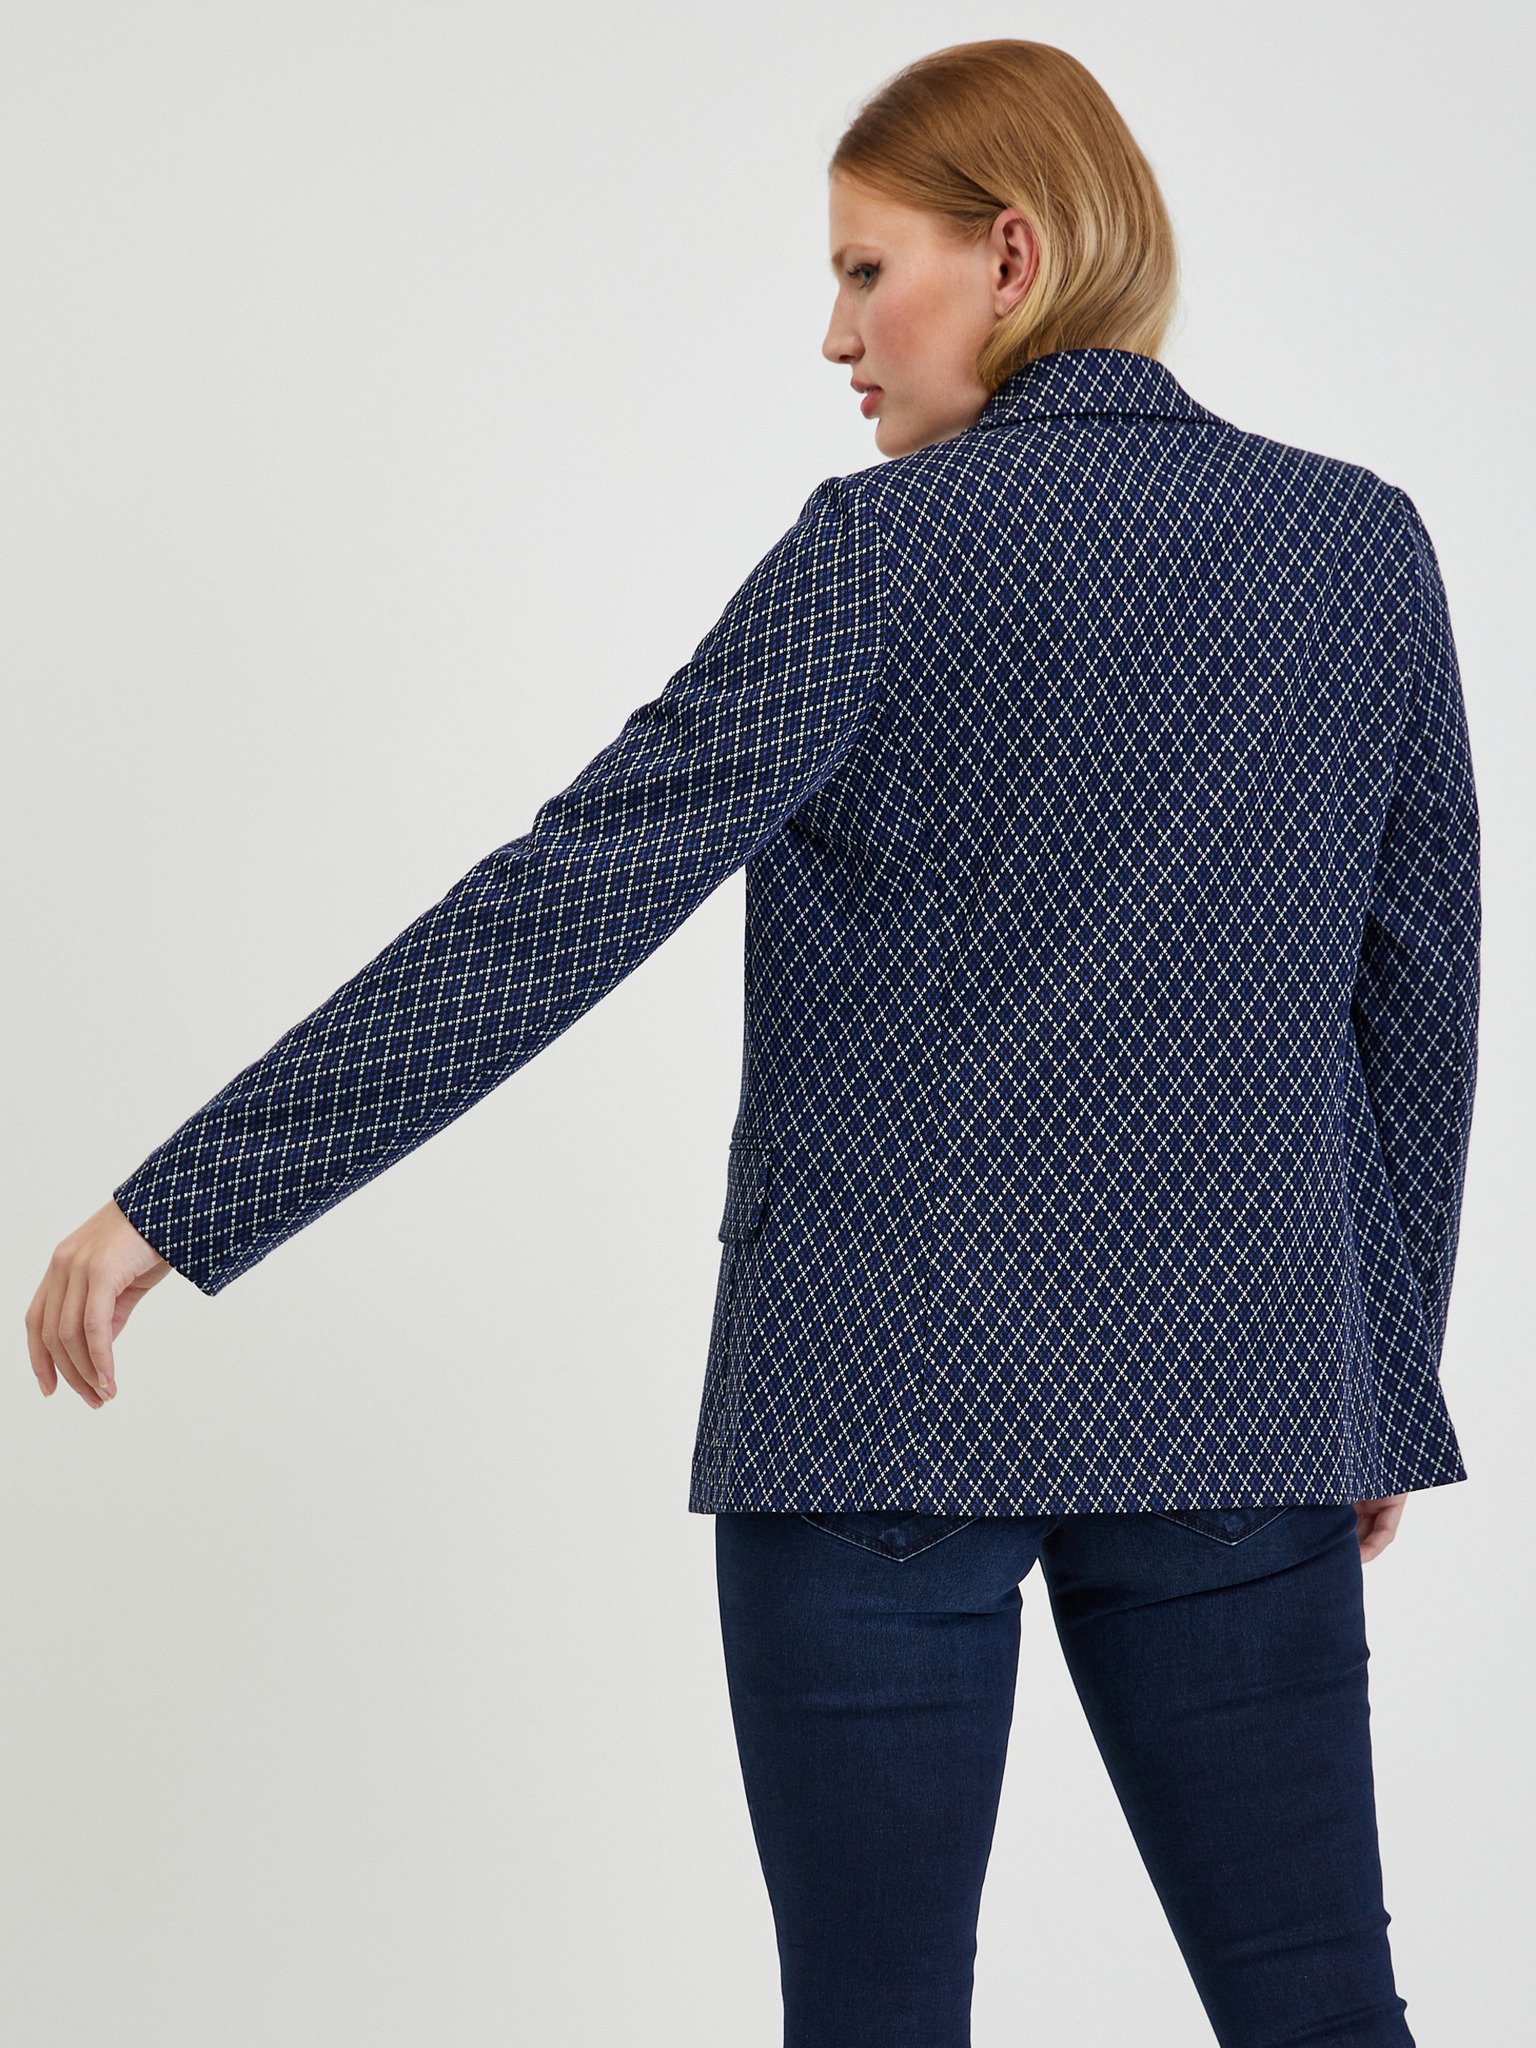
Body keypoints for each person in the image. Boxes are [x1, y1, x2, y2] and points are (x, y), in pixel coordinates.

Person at [24, 38, 1478, 2048]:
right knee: (1320, 2012)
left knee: (870, 2022)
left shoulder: (879, 554)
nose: (834, 335)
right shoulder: (1360, 548)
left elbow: (564, 903)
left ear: (1014, 255)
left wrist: (180, 1205)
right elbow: (1418, 990)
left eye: (867, 272)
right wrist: (1376, 1375)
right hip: (1249, 1397)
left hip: (879, 1407)